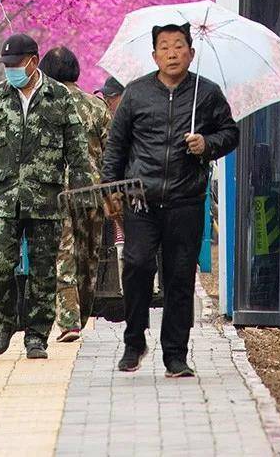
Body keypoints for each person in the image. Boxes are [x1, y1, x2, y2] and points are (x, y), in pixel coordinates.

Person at [102, 22, 239, 378]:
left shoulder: (206, 94)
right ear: (154, 55)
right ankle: (134, 341)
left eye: (179, 46)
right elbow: (116, 144)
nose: (172, 53)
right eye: (164, 47)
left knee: (180, 277)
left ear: (191, 53)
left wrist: (206, 144)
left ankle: (175, 355)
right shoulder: (136, 93)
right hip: (141, 200)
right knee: (137, 265)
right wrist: (110, 188)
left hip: (186, 200)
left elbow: (230, 133)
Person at [0, 31, 95, 360]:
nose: (11, 70)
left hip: (46, 198)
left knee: (43, 270)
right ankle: (4, 324)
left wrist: (82, 195)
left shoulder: (59, 97)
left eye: (16, 64)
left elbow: (77, 151)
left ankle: (37, 335)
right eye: (7, 65)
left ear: (33, 61)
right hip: (2, 198)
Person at [38, 44, 111, 344]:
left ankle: (70, 320)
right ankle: (79, 316)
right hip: (92, 191)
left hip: (57, 192)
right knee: (88, 256)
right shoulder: (97, 107)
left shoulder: (45, 106)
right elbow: (110, 152)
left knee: (63, 254)